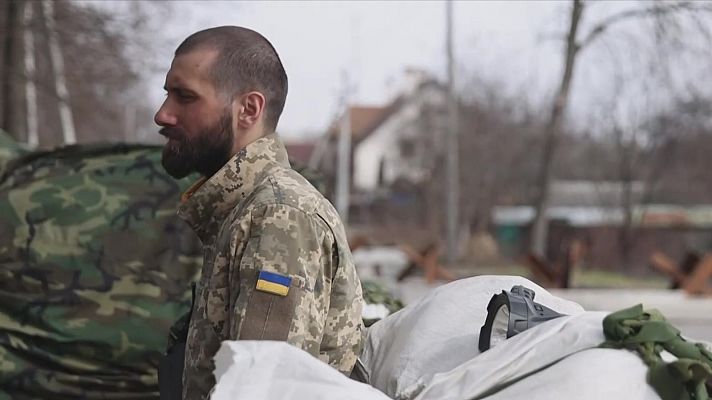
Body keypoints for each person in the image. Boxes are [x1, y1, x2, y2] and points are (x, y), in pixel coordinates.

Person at [154, 26, 364, 399]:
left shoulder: (279, 216)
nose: (163, 114)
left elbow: (264, 392)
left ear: (248, 109)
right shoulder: (244, 210)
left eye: (184, 97)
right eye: (167, 94)